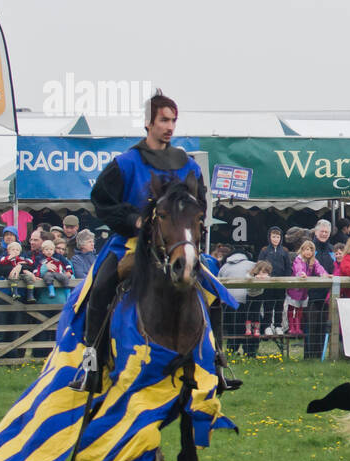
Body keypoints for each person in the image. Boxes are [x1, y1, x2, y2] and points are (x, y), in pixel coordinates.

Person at [76, 89, 239, 392]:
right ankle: (91, 364)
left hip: (175, 244)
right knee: (99, 288)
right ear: (148, 123)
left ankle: (217, 360)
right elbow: (101, 201)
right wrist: (133, 219)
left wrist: (189, 224)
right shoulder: (125, 163)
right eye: (164, 120)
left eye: (173, 120)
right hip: (130, 243)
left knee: (214, 291)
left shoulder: (187, 165)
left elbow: (199, 203)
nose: (169, 126)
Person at [256, 226, 293, 335]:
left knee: (279, 305)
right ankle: (267, 326)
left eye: (278, 237)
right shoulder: (264, 250)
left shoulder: (285, 251)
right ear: (269, 237)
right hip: (268, 283)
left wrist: (286, 280)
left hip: (280, 283)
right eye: (274, 236)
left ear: (281, 238)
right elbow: (260, 264)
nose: (276, 239)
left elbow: (288, 267)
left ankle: (278, 325)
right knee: (268, 305)